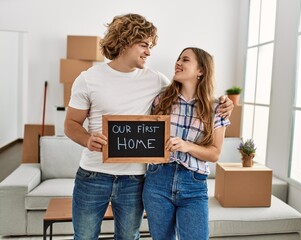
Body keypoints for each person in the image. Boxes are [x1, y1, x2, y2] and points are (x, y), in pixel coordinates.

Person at [64, 13, 233, 240]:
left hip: (135, 179)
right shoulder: (88, 78)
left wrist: (225, 103)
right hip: (93, 175)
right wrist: (86, 139)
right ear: (125, 41)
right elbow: (71, 124)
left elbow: (192, 95)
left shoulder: (157, 81)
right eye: (144, 45)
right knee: (83, 237)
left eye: (150, 46)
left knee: (129, 237)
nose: (149, 52)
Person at [142, 47, 230, 240]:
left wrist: (186, 146)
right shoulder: (161, 100)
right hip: (158, 181)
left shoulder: (217, 108)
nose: (178, 63)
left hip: (194, 184)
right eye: (178, 59)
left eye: (185, 60)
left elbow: (214, 154)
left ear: (201, 71)